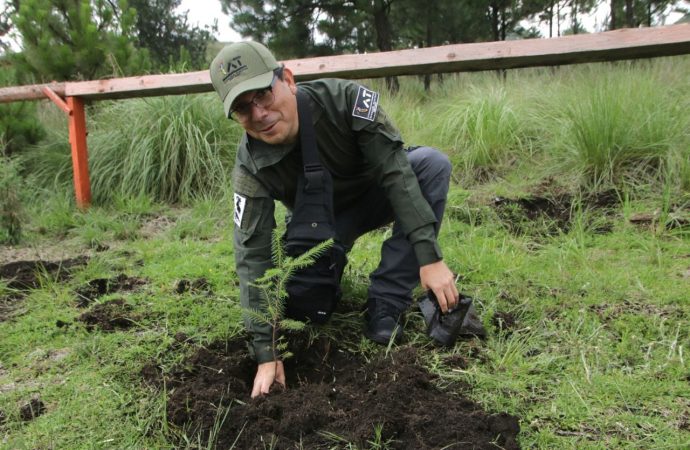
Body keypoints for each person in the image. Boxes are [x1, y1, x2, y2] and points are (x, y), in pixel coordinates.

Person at [210, 41, 459, 398]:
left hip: (376, 195)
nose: (259, 113)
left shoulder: (346, 99)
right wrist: (267, 351)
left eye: (262, 94)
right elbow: (252, 253)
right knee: (304, 310)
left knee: (431, 165)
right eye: (242, 108)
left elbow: (394, 171)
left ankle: (386, 302)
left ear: (288, 80)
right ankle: (326, 277)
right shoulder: (250, 165)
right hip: (319, 227)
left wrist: (429, 256)